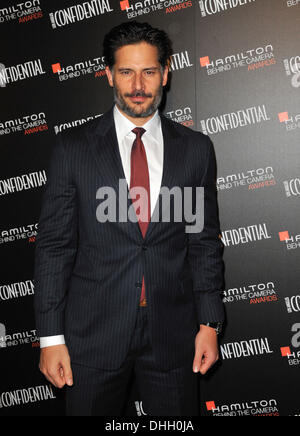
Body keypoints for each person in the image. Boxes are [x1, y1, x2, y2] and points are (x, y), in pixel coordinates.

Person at [34, 20, 225, 416]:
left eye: (149, 71)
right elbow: (54, 248)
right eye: (126, 72)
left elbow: (202, 243)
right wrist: (51, 337)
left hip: (173, 336)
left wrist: (210, 323)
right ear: (108, 75)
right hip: (92, 336)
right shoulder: (73, 149)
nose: (138, 85)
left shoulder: (195, 150)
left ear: (166, 73)